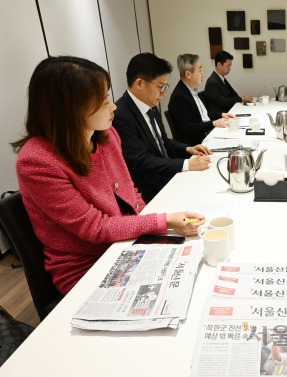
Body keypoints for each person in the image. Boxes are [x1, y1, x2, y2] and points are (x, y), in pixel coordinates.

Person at [12, 56, 205, 295]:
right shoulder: (38, 161)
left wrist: (154, 230)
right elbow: (95, 228)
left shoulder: (106, 135)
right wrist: (162, 221)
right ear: (70, 109)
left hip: (123, 244)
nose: (113, 106)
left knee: (196, 269)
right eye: (103, 100)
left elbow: (130, 192)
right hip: (87, 267)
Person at [113, 52, 211, 203]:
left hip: (166, 177)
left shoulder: (149, 105)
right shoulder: (121, 115)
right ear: (140, 83)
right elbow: (141, 162)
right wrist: (186, 164)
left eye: (165, 86)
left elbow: (163, 143)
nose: (164, 93)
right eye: (160, 86)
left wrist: (188, 149)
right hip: (149, 191)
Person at [168, 54, 236, 145]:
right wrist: (213, 123)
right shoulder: (179, 96)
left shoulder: (195, 92)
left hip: (207, 135)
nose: (202, 73)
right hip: (198, 144)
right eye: (199, 70)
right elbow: (187, 128)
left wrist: (222, 114)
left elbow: (205, 115)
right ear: (188, 74)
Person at [204, 50, 253, 114]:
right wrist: (241, 98)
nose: (230, 68)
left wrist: (243, 97)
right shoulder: (212, 82)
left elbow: (234, 94)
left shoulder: (221, 78)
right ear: (219, 64)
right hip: (220, 116)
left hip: (228, 111)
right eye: (228, 66)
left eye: (230, 66)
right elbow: (223, 102)